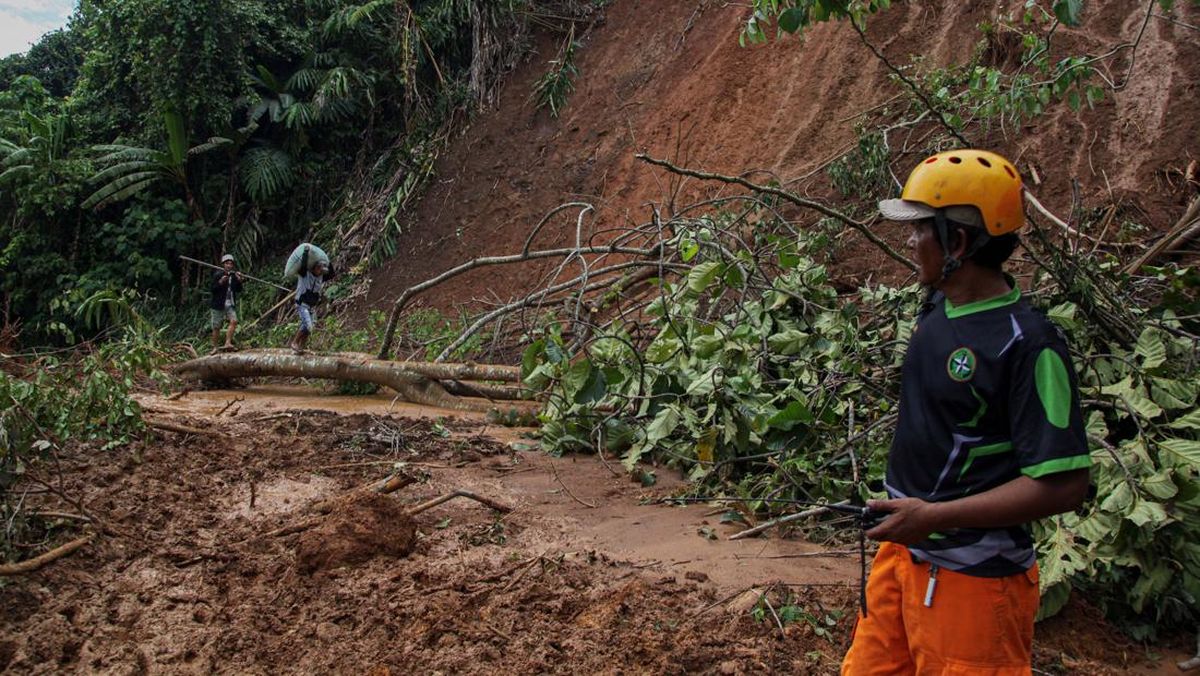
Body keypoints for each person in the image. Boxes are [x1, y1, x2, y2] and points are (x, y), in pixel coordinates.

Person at [841, 149, 1091, 675]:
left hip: (974, 582)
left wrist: (933, 517)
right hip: (902, 560)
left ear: (957, 242)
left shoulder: (1028, 345)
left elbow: (1064, 484)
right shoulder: (937, 306)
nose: (910, 244)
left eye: (919, 232)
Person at [289, 247, 333, 354]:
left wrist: (328, 261)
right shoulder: (305, 274)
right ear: (314, 268)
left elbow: (332, 274)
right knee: (308, 325)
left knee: (311, 325)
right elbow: (303, 266)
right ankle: (294, 343)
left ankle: (301, 346)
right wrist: (305, 252)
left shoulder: (321, 277)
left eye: (322, 270)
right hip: (302, 304)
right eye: (319, 269)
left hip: (311, 305)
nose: (320, 272)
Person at [209, 254, 243, 351]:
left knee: (234, 321)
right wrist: (220, 282)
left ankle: (228, 342)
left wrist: (240, 280)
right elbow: (212, 289)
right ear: (223, 264)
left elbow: (239, 289)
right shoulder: (218, 275)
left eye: (231, 264)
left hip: (230, 303)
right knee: (216, 327)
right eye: (227, 263)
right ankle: (215, 347)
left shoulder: (234, 276)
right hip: (218, 304)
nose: (229, 266)